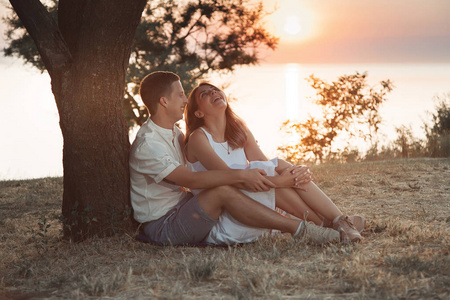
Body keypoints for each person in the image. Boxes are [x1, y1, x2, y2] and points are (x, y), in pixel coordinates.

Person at [129, 71, 341, 246]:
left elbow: (260, 162)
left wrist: (269, 176)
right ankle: (300, 229)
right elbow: (191, 180)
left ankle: (334, 222)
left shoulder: (174, 133)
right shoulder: (149, 144)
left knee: (275, 166)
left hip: (185, 207)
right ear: (164, 101)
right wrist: (244, 175)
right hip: (164, 223)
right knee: (223, 190)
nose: (185, 100)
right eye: (181, 95)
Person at [184, 82, 365, 244]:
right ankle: (328, 224)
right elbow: (231, 180)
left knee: (276, 164)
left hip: (253, 202)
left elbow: (266, 164)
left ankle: (337, 220)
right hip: (230, 214)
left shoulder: (239, 130)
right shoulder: (198, 138)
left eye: (214, 89)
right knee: (274, 170)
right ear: (198, 113)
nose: (213, 92)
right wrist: (282, 181)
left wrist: (292, 173)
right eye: (204, 94)